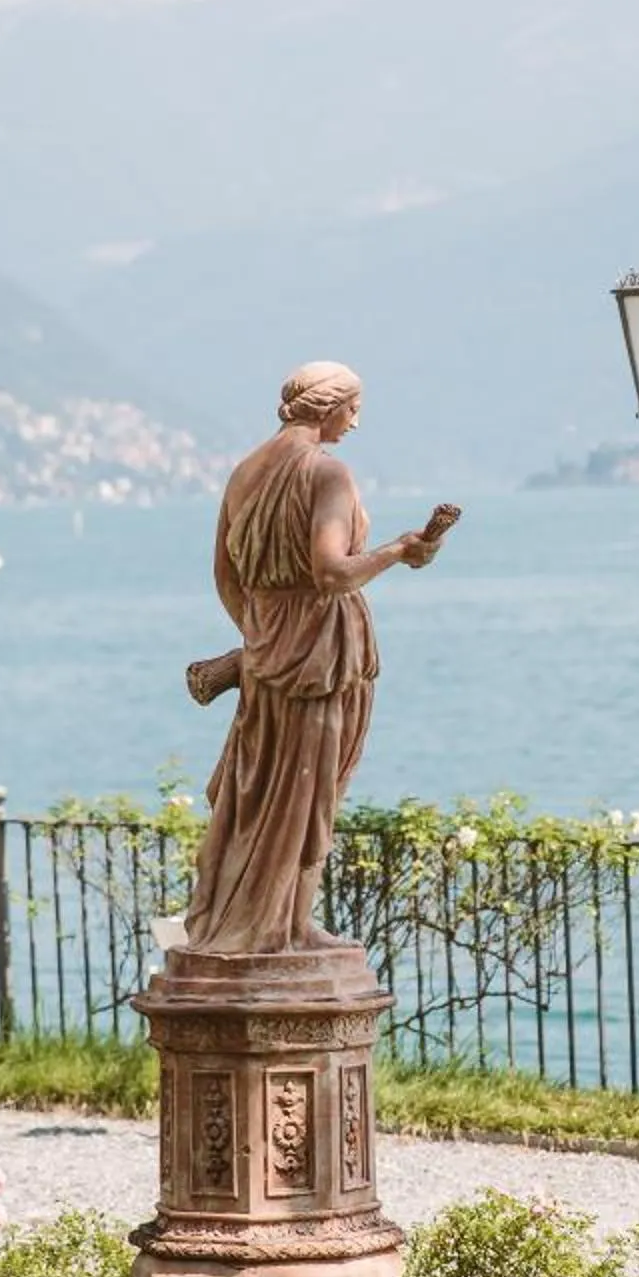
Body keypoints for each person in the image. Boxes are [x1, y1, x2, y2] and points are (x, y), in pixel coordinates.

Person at [181, 362, 457, 953]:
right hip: (323, 656)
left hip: (274, 649)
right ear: (329, 407)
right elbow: (332, 572)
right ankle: (284, 927)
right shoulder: (326, 474)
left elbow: (225, 576)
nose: (355, 421)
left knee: (257, 790)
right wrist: (398, 550)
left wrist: (260, 640)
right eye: (352, 408)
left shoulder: (245, 473)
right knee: (310, 792)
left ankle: (254, 920)